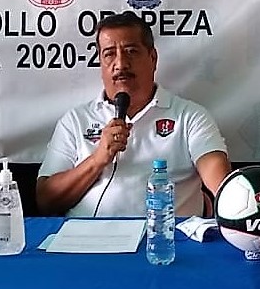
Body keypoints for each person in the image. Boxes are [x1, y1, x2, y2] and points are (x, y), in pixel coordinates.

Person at [36, 11, 232, 217]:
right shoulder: (75, 120)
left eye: (131, 51)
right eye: (109, 54)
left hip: (165, 235)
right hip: (87, 236)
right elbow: (46, 201)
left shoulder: (189, 116)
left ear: (152, 58)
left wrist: (234, 198)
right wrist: (97, 159)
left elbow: (220, 182)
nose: (120, 64)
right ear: (101, 62)